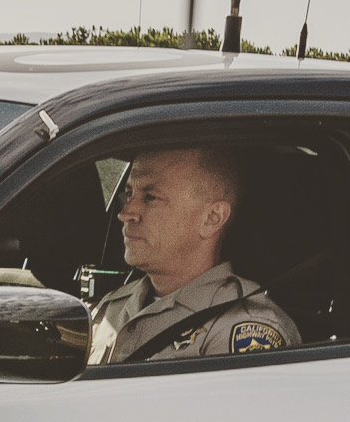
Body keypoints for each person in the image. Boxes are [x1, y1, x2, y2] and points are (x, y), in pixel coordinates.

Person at [86, 147, 297, 366]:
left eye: (151, 197)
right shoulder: (111, 307)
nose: (125, 213)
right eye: (129, 194)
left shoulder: (243, 327)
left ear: (212, 218)